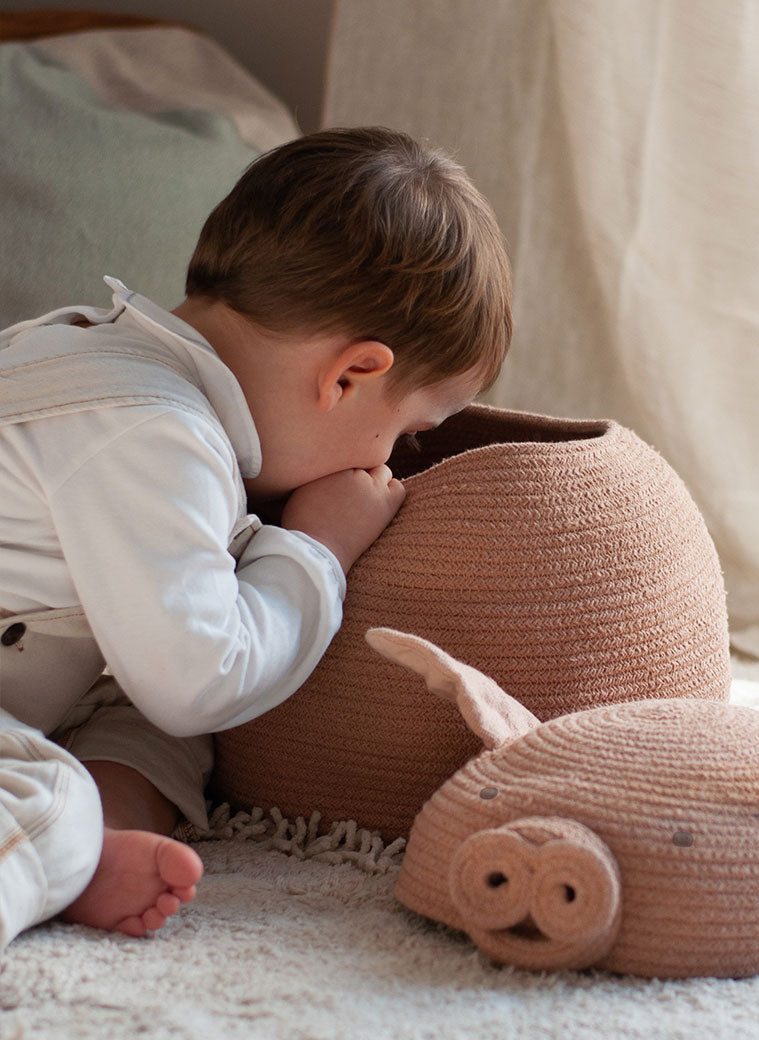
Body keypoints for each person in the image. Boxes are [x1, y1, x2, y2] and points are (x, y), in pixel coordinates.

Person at [0, 127, 512, 948]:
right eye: (406, 433)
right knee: (47, 796)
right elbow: (203, 678)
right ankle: (67, 841)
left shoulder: (86, 358)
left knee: (143, 715)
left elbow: (164, 698)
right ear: (351, 376)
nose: (394, 461)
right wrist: (318, 552)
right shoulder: (157, 434)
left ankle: (98, 844)